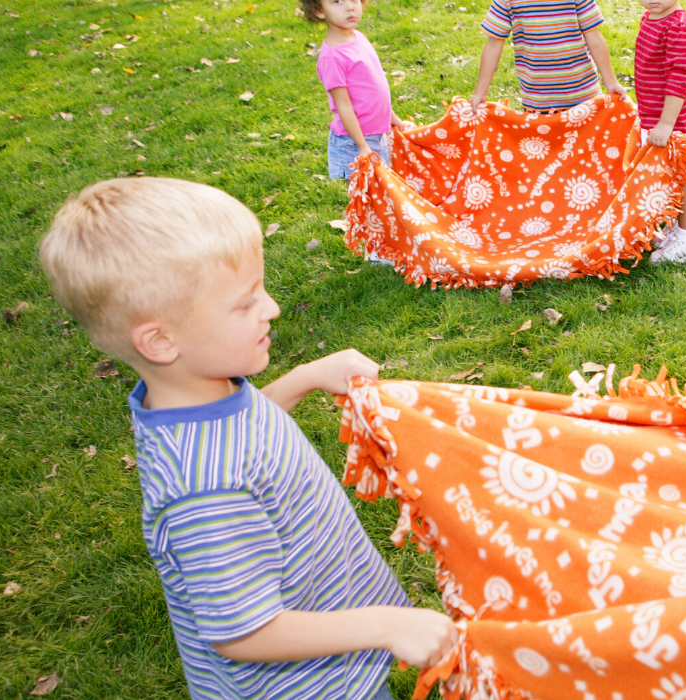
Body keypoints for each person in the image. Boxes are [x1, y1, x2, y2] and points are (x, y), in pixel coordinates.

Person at [38, 178, 458, 700]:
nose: (272, 308)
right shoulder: (205, 493)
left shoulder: (198, 395)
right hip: (308, 686)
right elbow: (245, 631)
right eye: (244, 304)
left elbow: (246, 428)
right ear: (161, 341)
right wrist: (387, 626)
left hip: (330, 644)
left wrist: (304, 376)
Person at [634, 0, 686, 264]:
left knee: (683, 182)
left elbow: (679, 81)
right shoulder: (652, 17)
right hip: (658, 119)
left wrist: (666, 124)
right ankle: (679, 228)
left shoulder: (678, 29)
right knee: (667, 180)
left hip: (677, 125)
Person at [306, 0, 412, 181]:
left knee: (381, 189)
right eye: (337, 1)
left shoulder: (358, 38)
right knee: (362, 195)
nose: (349, 6)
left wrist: (392, 118)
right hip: (354, 141)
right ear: (319, 10)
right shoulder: (332, 57)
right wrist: (362, 146)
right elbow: (343, 106)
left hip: (376, 133)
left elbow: (375, 89)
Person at [468, 0, 626, 113]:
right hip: (538, 101)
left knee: (586, 155)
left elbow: (594, 37)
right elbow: (494, 44)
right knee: (544, 156)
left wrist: (611, 82)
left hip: (584, 95)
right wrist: (480, 93)